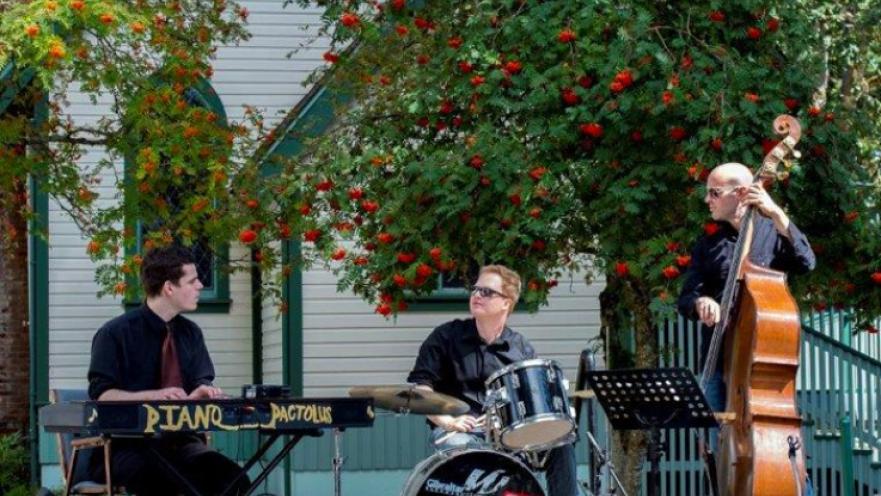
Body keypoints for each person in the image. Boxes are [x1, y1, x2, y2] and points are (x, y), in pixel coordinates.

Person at [87, 245, 250, 495]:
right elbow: (102, 396)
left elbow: (199, 384)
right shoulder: (114, 334)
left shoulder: (191, 333)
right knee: (164, 478)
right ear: (169, 287)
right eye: (193, 280)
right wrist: (154, 396)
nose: (200, 286)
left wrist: (199, 395)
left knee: (232, 479)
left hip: (183, 443)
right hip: (126, 447)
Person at [407, 264, 579, 495]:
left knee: (561, 444)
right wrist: (447, 420)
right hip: (458, 433)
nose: (476, 295)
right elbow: (421, 389)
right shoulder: (445, 337)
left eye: (486, 292)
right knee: (463, 449)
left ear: (506, 302)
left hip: (509, 438)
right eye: (475, 289)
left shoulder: (520, 348)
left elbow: (535, 403)